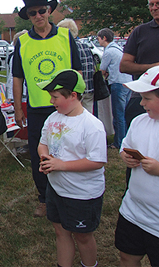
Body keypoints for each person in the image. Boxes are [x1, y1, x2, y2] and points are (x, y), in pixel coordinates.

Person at [12, 0, 82, 217]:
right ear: (28, 16)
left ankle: (70, 194)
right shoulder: (21, 42)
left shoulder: (65, 37)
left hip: (66, 108)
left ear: (50, 10)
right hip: (38, 108)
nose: (38, 15)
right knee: (38, 154)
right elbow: (17, 77)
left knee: (69, 150)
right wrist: (18, 109)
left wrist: (77, 101)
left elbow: (78, 71)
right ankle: (44, 197)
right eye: (33, 13)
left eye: (42, 10)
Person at [37, 69, 107, 267]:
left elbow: (97, 161)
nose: (52, 101)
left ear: (73, 96)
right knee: (61, 231)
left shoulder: (91, 126)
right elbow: (43, 143)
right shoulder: (53, 118)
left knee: (83, 237)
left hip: (82, 194)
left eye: (55, 97)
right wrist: (45, 156)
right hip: (57, 189)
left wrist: (61, 165)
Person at [115, 66, 159, 267]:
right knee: (127, 256)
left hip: (157, 222)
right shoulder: (140, 121)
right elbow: (126, 147)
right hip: (133, 211)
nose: (141, 103)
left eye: (147, 98)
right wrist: (126, 156)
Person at [120, 0, 159, 127]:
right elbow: (124, 65)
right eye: (151, 4)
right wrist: (154, 68)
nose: (154, 8)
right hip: (142, 96)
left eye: (158, 4)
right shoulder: (140, 32)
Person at [97, 28, 132, 149]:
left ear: (104, 38)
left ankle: (119, 142)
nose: (98, 40)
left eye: (99, 38)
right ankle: (127, 138)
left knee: (118, 114)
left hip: (117, 83)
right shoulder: (118, 48)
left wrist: (105, 75)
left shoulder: (109, 51)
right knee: (125, 113)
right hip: (128, 82)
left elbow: (102, 69)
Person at [57, 18, 95, 113]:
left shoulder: (67, 48)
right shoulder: (86, 47)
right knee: (88, 116)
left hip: (74, 91)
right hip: (89, 87)